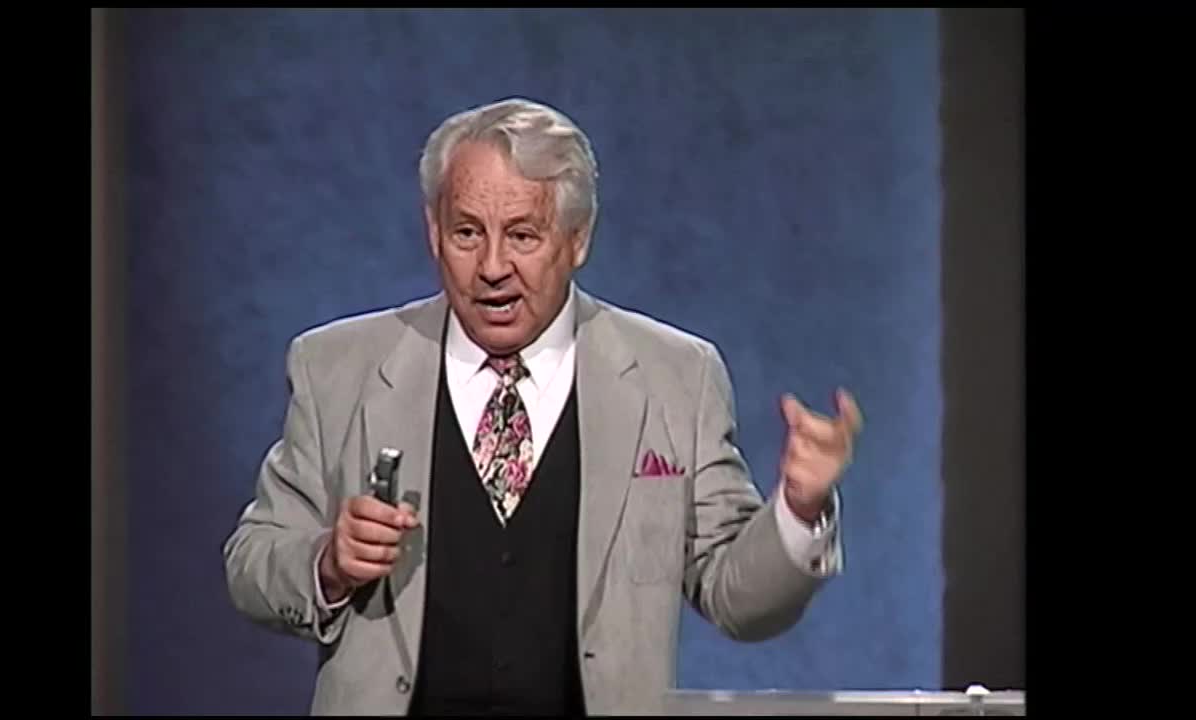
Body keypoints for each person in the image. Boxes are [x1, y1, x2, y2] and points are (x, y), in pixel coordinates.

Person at [222, 97, 863, 716]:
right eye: (467, 233)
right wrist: (327, 564)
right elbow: (253, 564)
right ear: (432, 233)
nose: (493, 266)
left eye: (523, 235)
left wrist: (798, 511)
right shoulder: (338, 367)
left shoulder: (676, 377)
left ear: (577, 240)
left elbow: (736, 599)